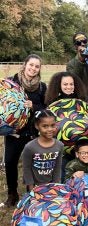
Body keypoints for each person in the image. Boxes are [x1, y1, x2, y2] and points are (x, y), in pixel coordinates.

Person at [1, 54, 46, 207]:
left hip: (32, 132)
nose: (33, 68)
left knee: (32, 164)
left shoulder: (41, 87)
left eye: (37, 66)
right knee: (10, 162)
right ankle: (12, 195)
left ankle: (31, 194)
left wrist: (33, 106)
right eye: (31, 65)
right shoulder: (11, 82)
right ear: (25, 64)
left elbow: (46, 109)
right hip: (13, 132)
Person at [44, 71, 88, 182]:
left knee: (81, 175)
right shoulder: (53, 102)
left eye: (71, 84)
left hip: (80, 145)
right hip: (60, 148)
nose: (68, 87)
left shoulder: (81, 101)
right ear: (59, 86)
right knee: (63, 173)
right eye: (65, 84)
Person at [22, 110, 64, 191]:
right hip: (35, 187)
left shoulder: (59, 145)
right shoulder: (30, 147)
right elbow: (26, 169)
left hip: (51, 186)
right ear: (37, 126)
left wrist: (56, 187)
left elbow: (57, 168)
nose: (50, 129)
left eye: (52, 125)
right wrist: (32, 190)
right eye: (45, 126)